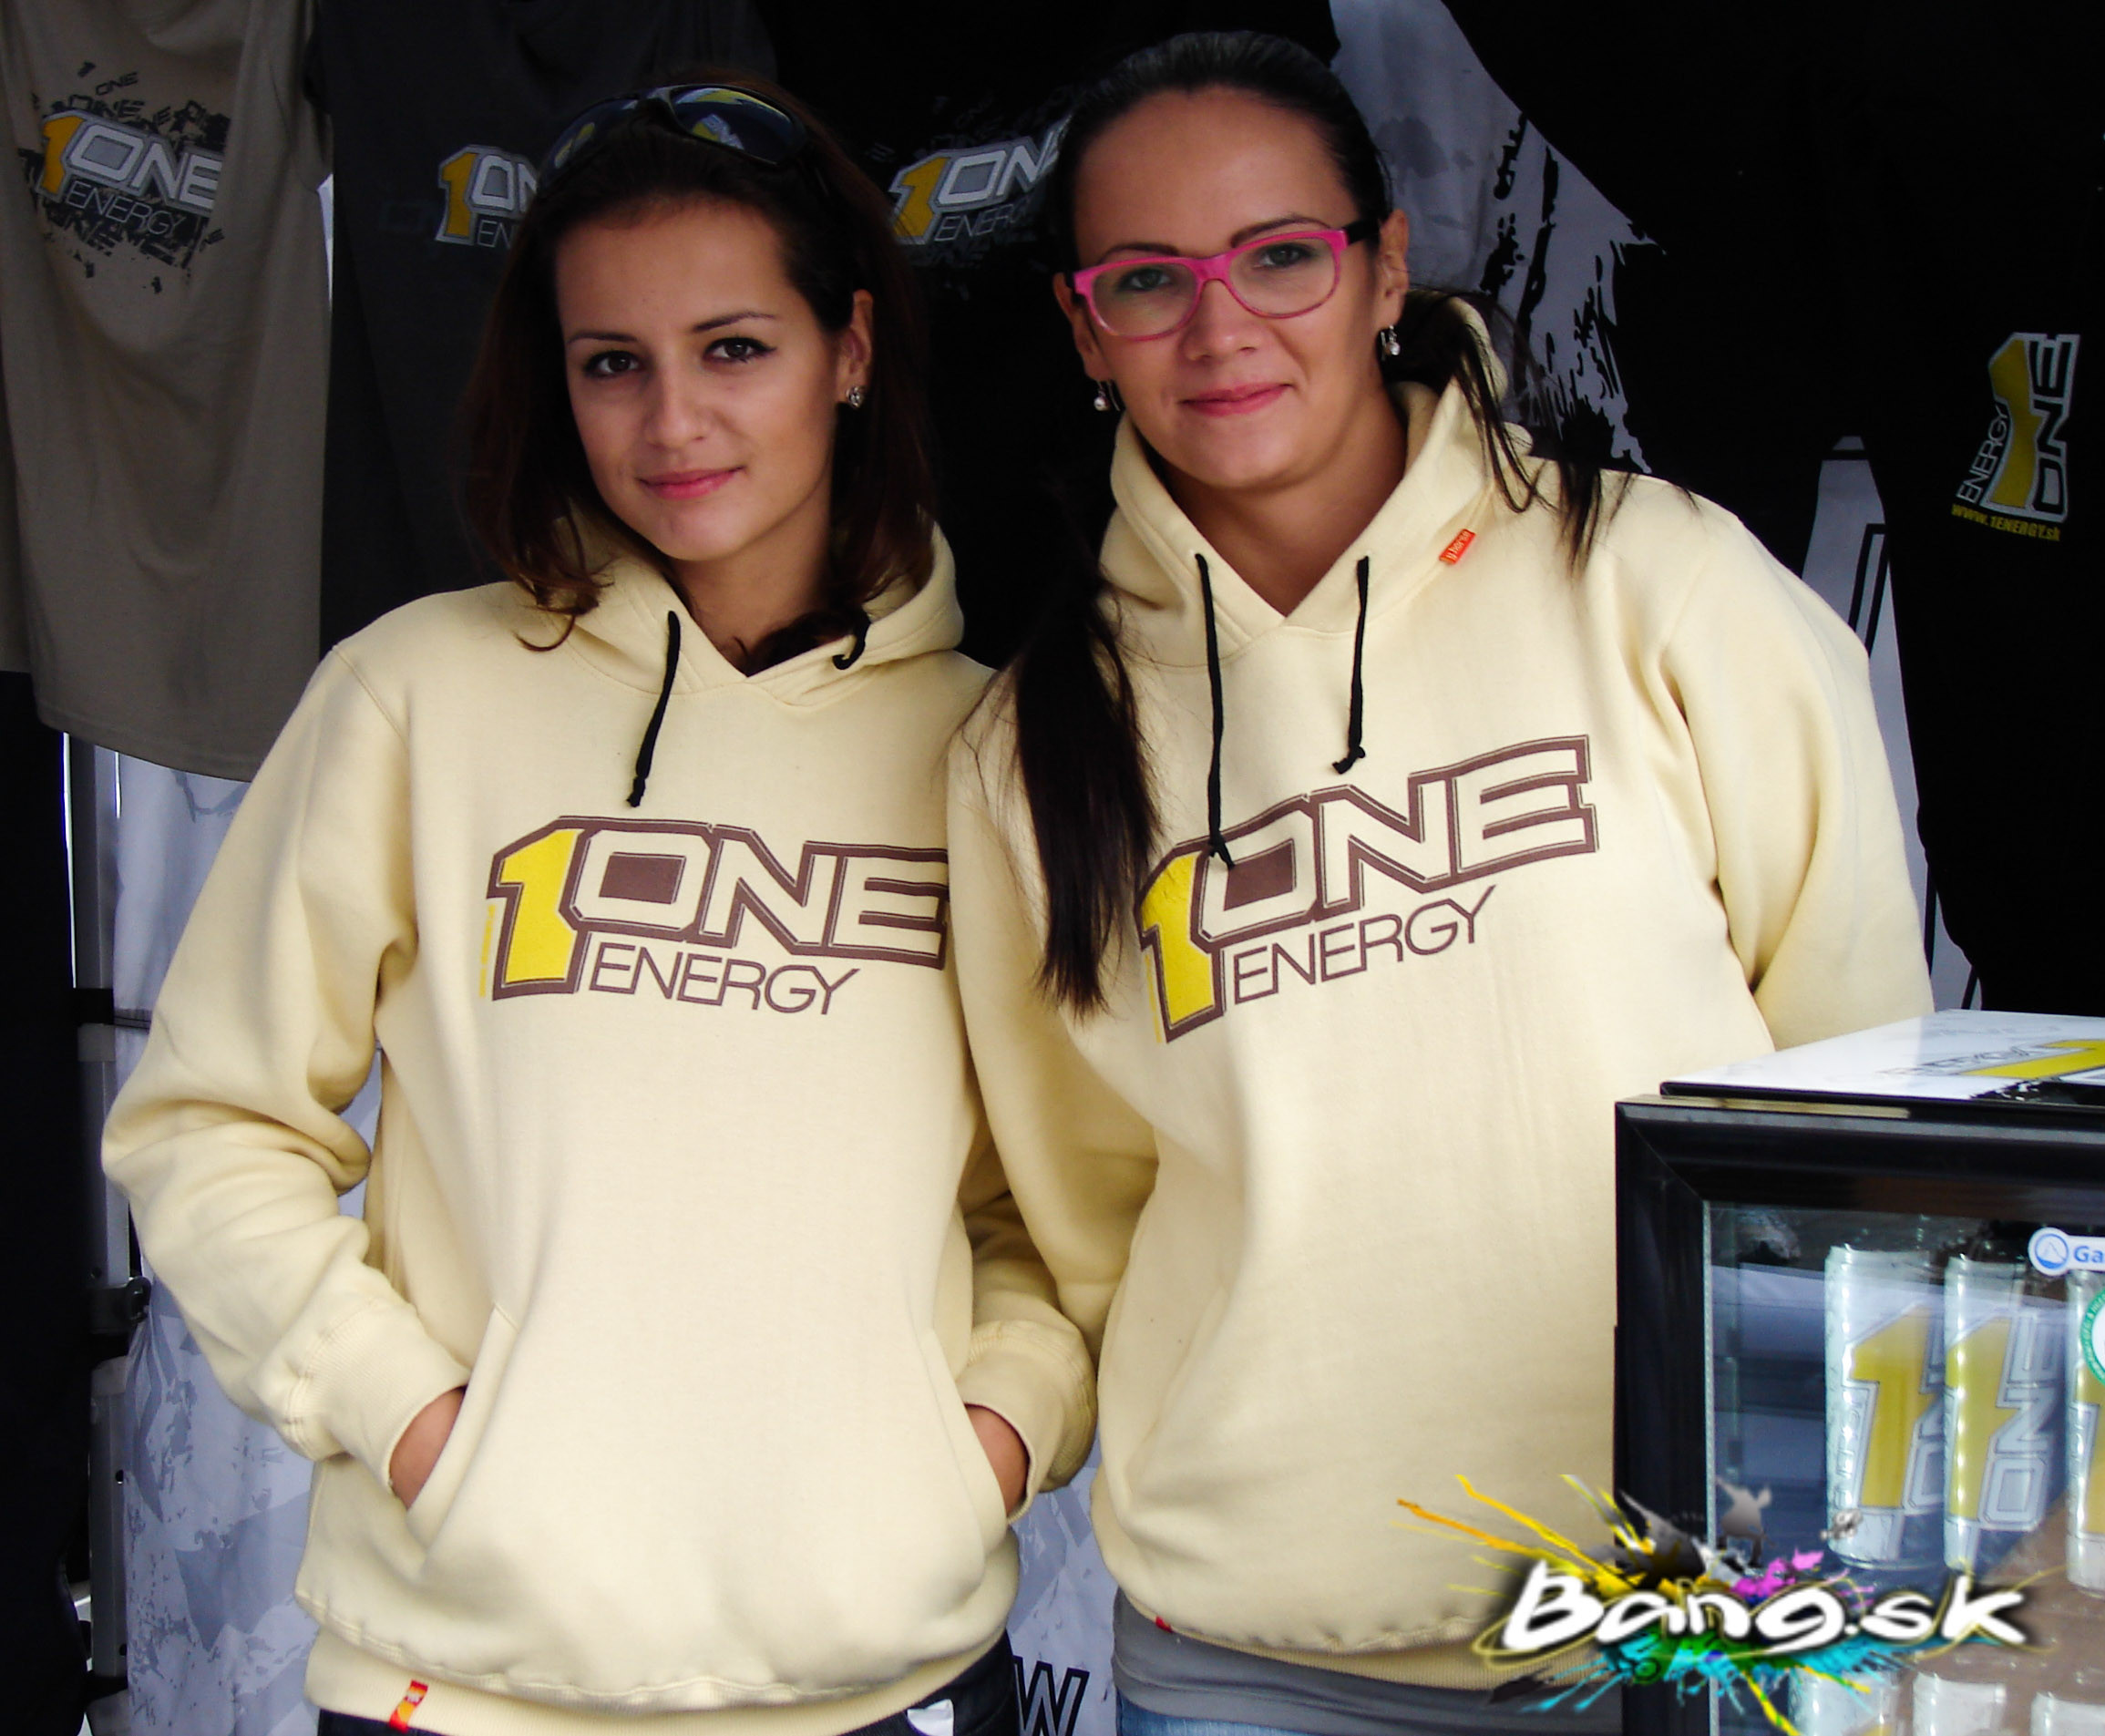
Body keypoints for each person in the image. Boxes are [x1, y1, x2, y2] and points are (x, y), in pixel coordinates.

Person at [945, 31, 1932, 1734]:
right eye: (1146, 280)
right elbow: (1085, 1205)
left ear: (1384, 267)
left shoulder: (1655, 579)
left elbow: (1857, 1088)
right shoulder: (1033, 745)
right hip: (1256, 1652)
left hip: (1688, 1622)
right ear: (1083, 329)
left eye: (1279, 256)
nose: (1219, 327)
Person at [103, 73, 1094, 1736]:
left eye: (733, 348)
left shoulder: (985, 746)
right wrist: (417, 1422)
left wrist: (982, 1443)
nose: (672, 422)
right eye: (611, 363)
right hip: (470, 1679)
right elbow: (209, 1124)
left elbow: (1059, 1202)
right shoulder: (413, 694)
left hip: (889, 1673)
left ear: (850, 349)